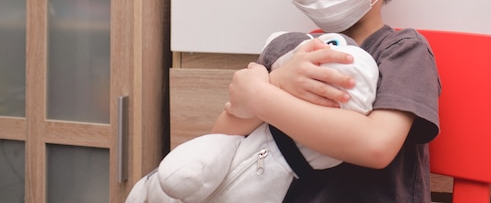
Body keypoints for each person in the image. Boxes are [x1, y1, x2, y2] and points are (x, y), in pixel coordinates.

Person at [220, 0, 441, 203]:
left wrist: (261, 97)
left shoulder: (404, 50)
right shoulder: (291, 52)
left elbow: (376, 146)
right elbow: (220, 145)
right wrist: (277, 82)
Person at [124, 31, 379, 203]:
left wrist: (259, 93)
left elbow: (373, 146)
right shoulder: (296, 48)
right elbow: (221, 136)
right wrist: (274, 83)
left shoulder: (397, 49)